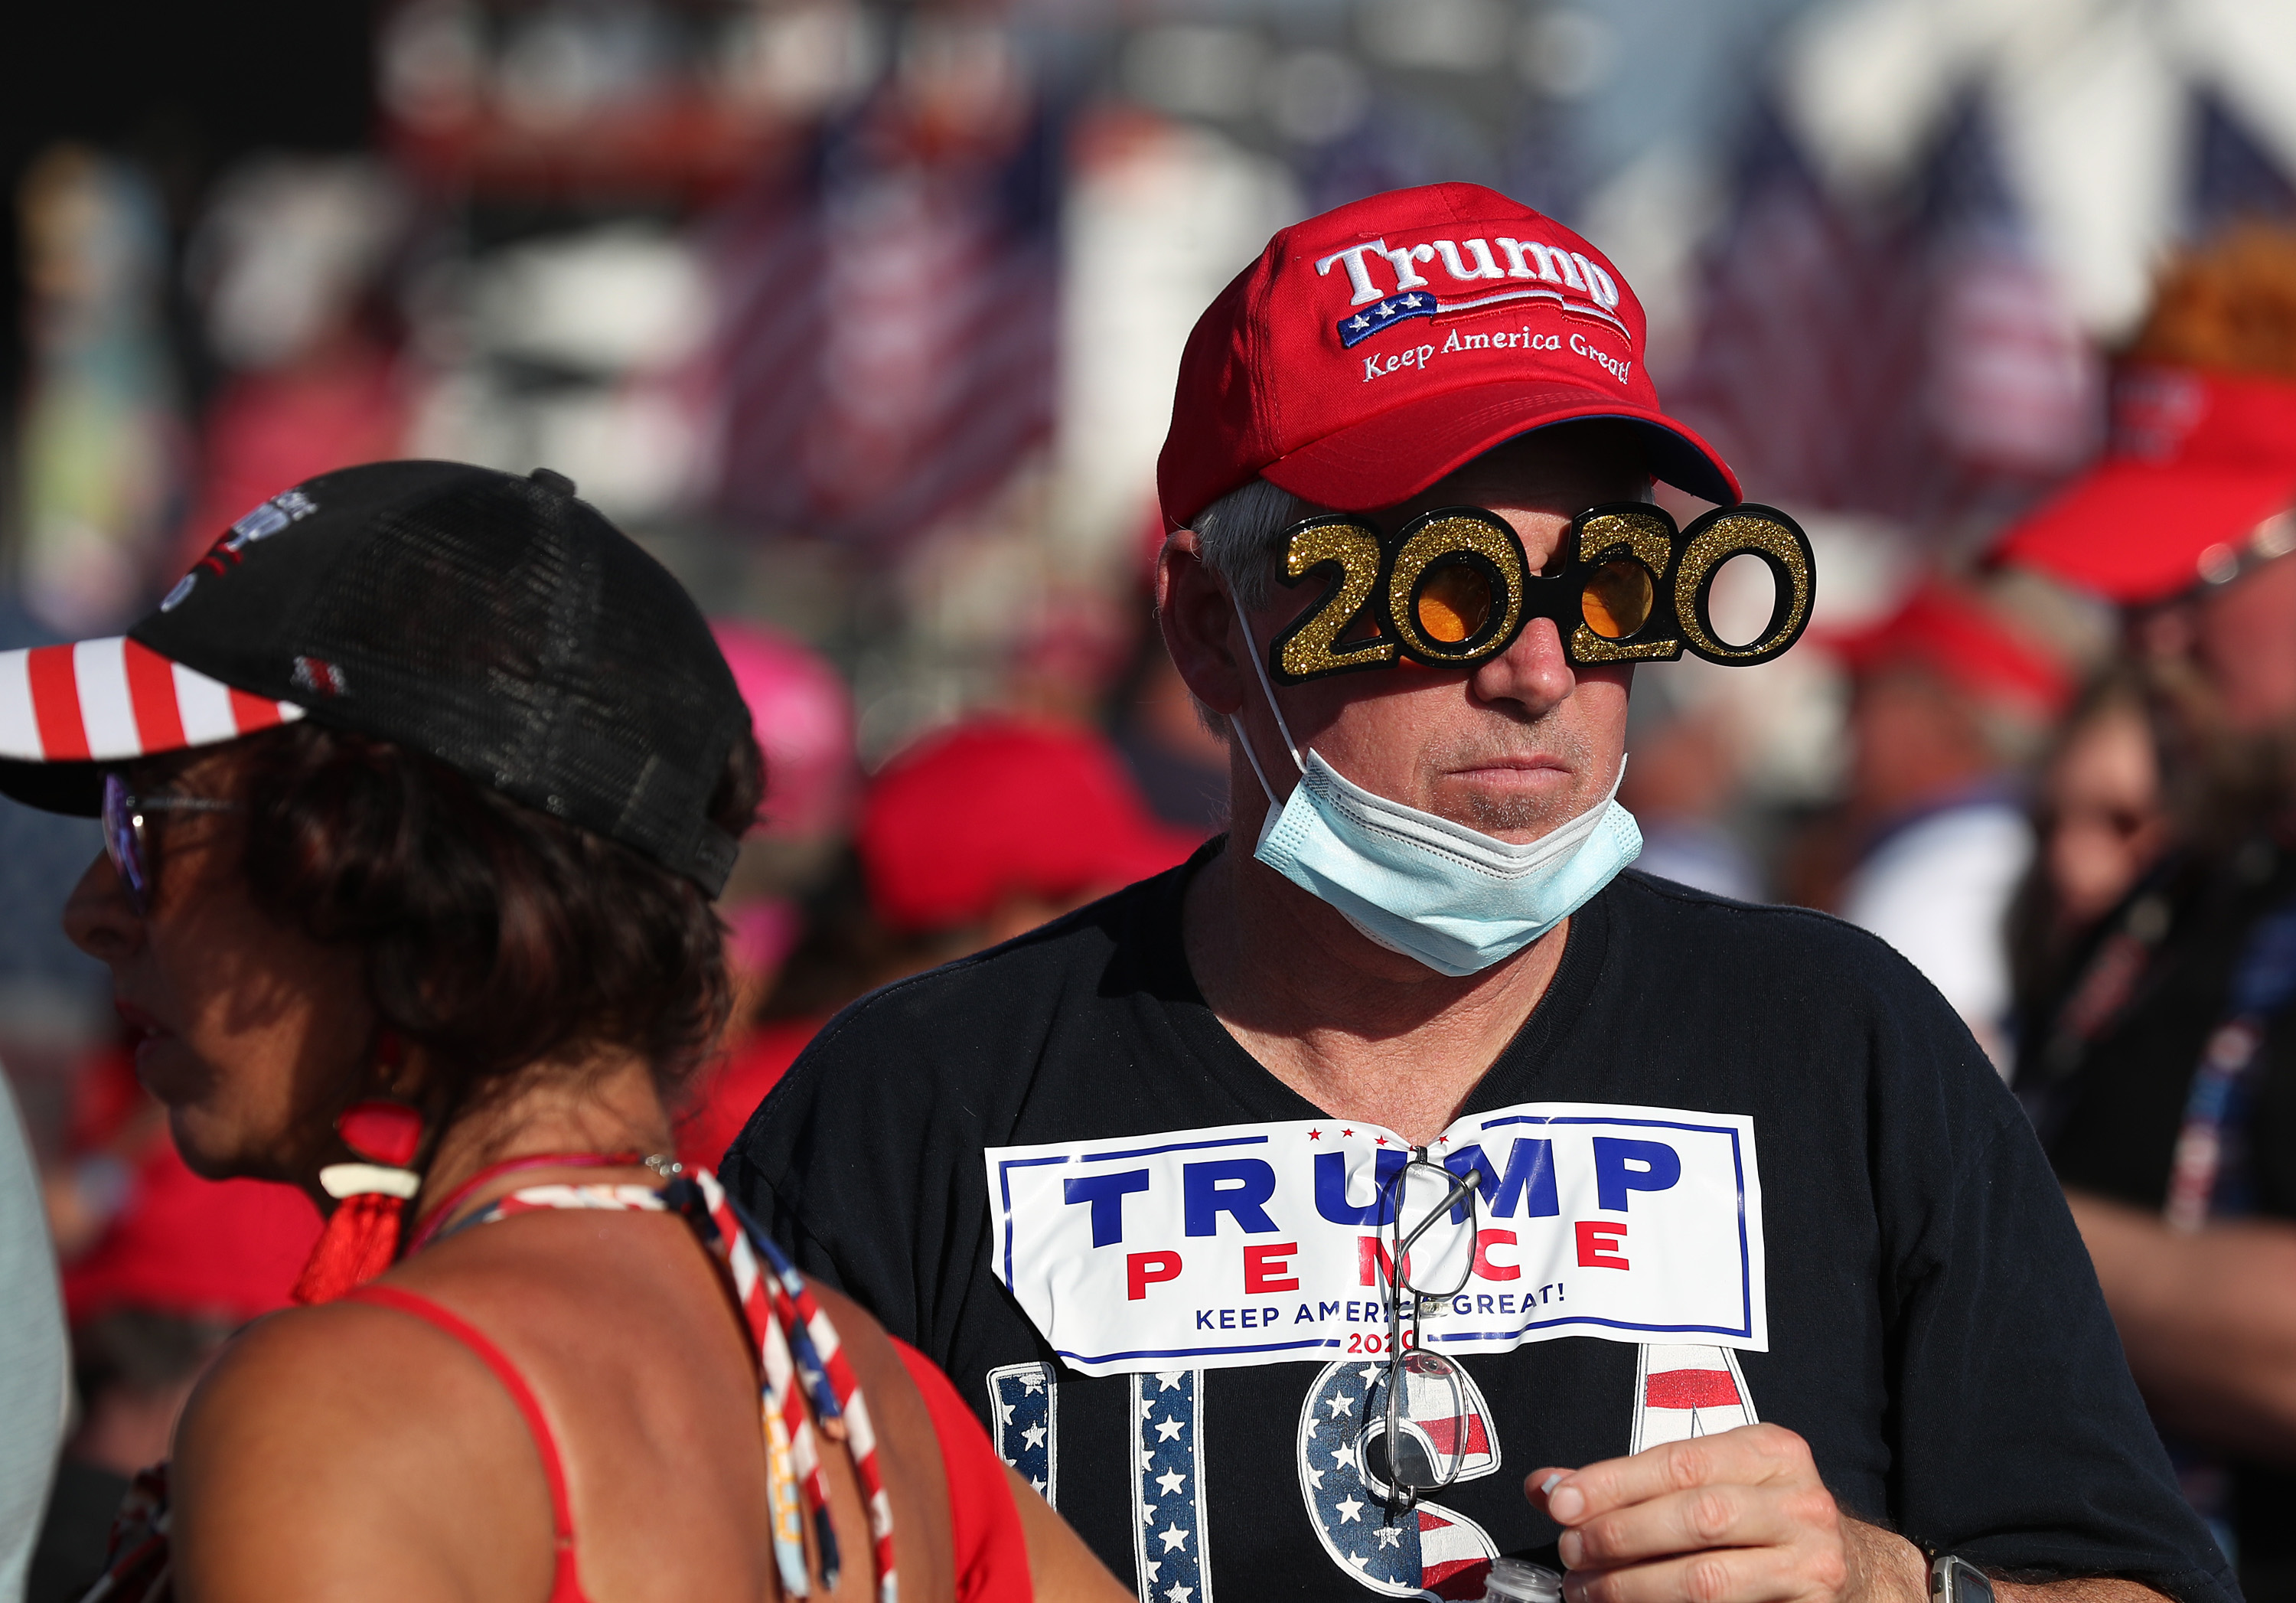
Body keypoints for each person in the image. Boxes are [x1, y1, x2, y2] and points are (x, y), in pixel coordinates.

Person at [727, 184, 2228, 1603]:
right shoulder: (919, 1102)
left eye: (1613, 591)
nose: (1535, 669)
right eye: (1440, 592)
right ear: (1204, 626)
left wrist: (1896, 1582)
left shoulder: (1845, 1051)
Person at [0, 462, 1126, 1602]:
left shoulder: (345, 1411)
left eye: (146, 821)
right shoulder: (867, 1402)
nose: (92, 908)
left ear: (392, 863)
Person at [1992, 224, 2296, 1596]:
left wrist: (1958, 1211)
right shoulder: (2177, 891)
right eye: (2132, 588)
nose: (2145, 633)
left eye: (2199, 575)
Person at [1828, 581, 2073, 1069]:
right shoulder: (1996, 847)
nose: (1844, 727)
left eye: (1862, 694)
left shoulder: (1936, 880)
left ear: (1936, 720)